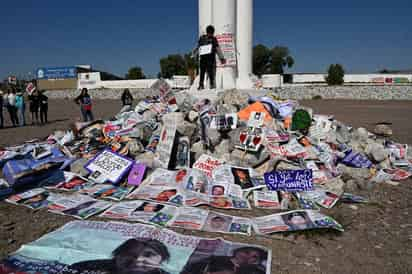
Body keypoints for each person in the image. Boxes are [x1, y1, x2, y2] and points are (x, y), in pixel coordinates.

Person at [68, 238, 171, 274]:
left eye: (148, 255)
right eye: (130, 254)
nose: (138, 259)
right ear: (117, 255)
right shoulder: (88, 267)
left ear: (162, 258)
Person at [181, 246, 267, 274]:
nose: (248, 256)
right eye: (246, 252)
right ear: (237, 251)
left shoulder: (254, 271)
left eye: (254, 257)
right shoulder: (213, 260)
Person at [195, 25, 226, 90]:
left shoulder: (213, 39)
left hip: (210, 59)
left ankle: (212, 85)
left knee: (210, 72)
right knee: (202, 72)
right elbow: (198, 47)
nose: (210, 34)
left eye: (211, 33)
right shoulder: (202, 38)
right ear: (207, 32)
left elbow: (217, 49)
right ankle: (201, 85)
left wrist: (221, 58)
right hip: (203, 58)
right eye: (209, 32)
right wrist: (195, 54)